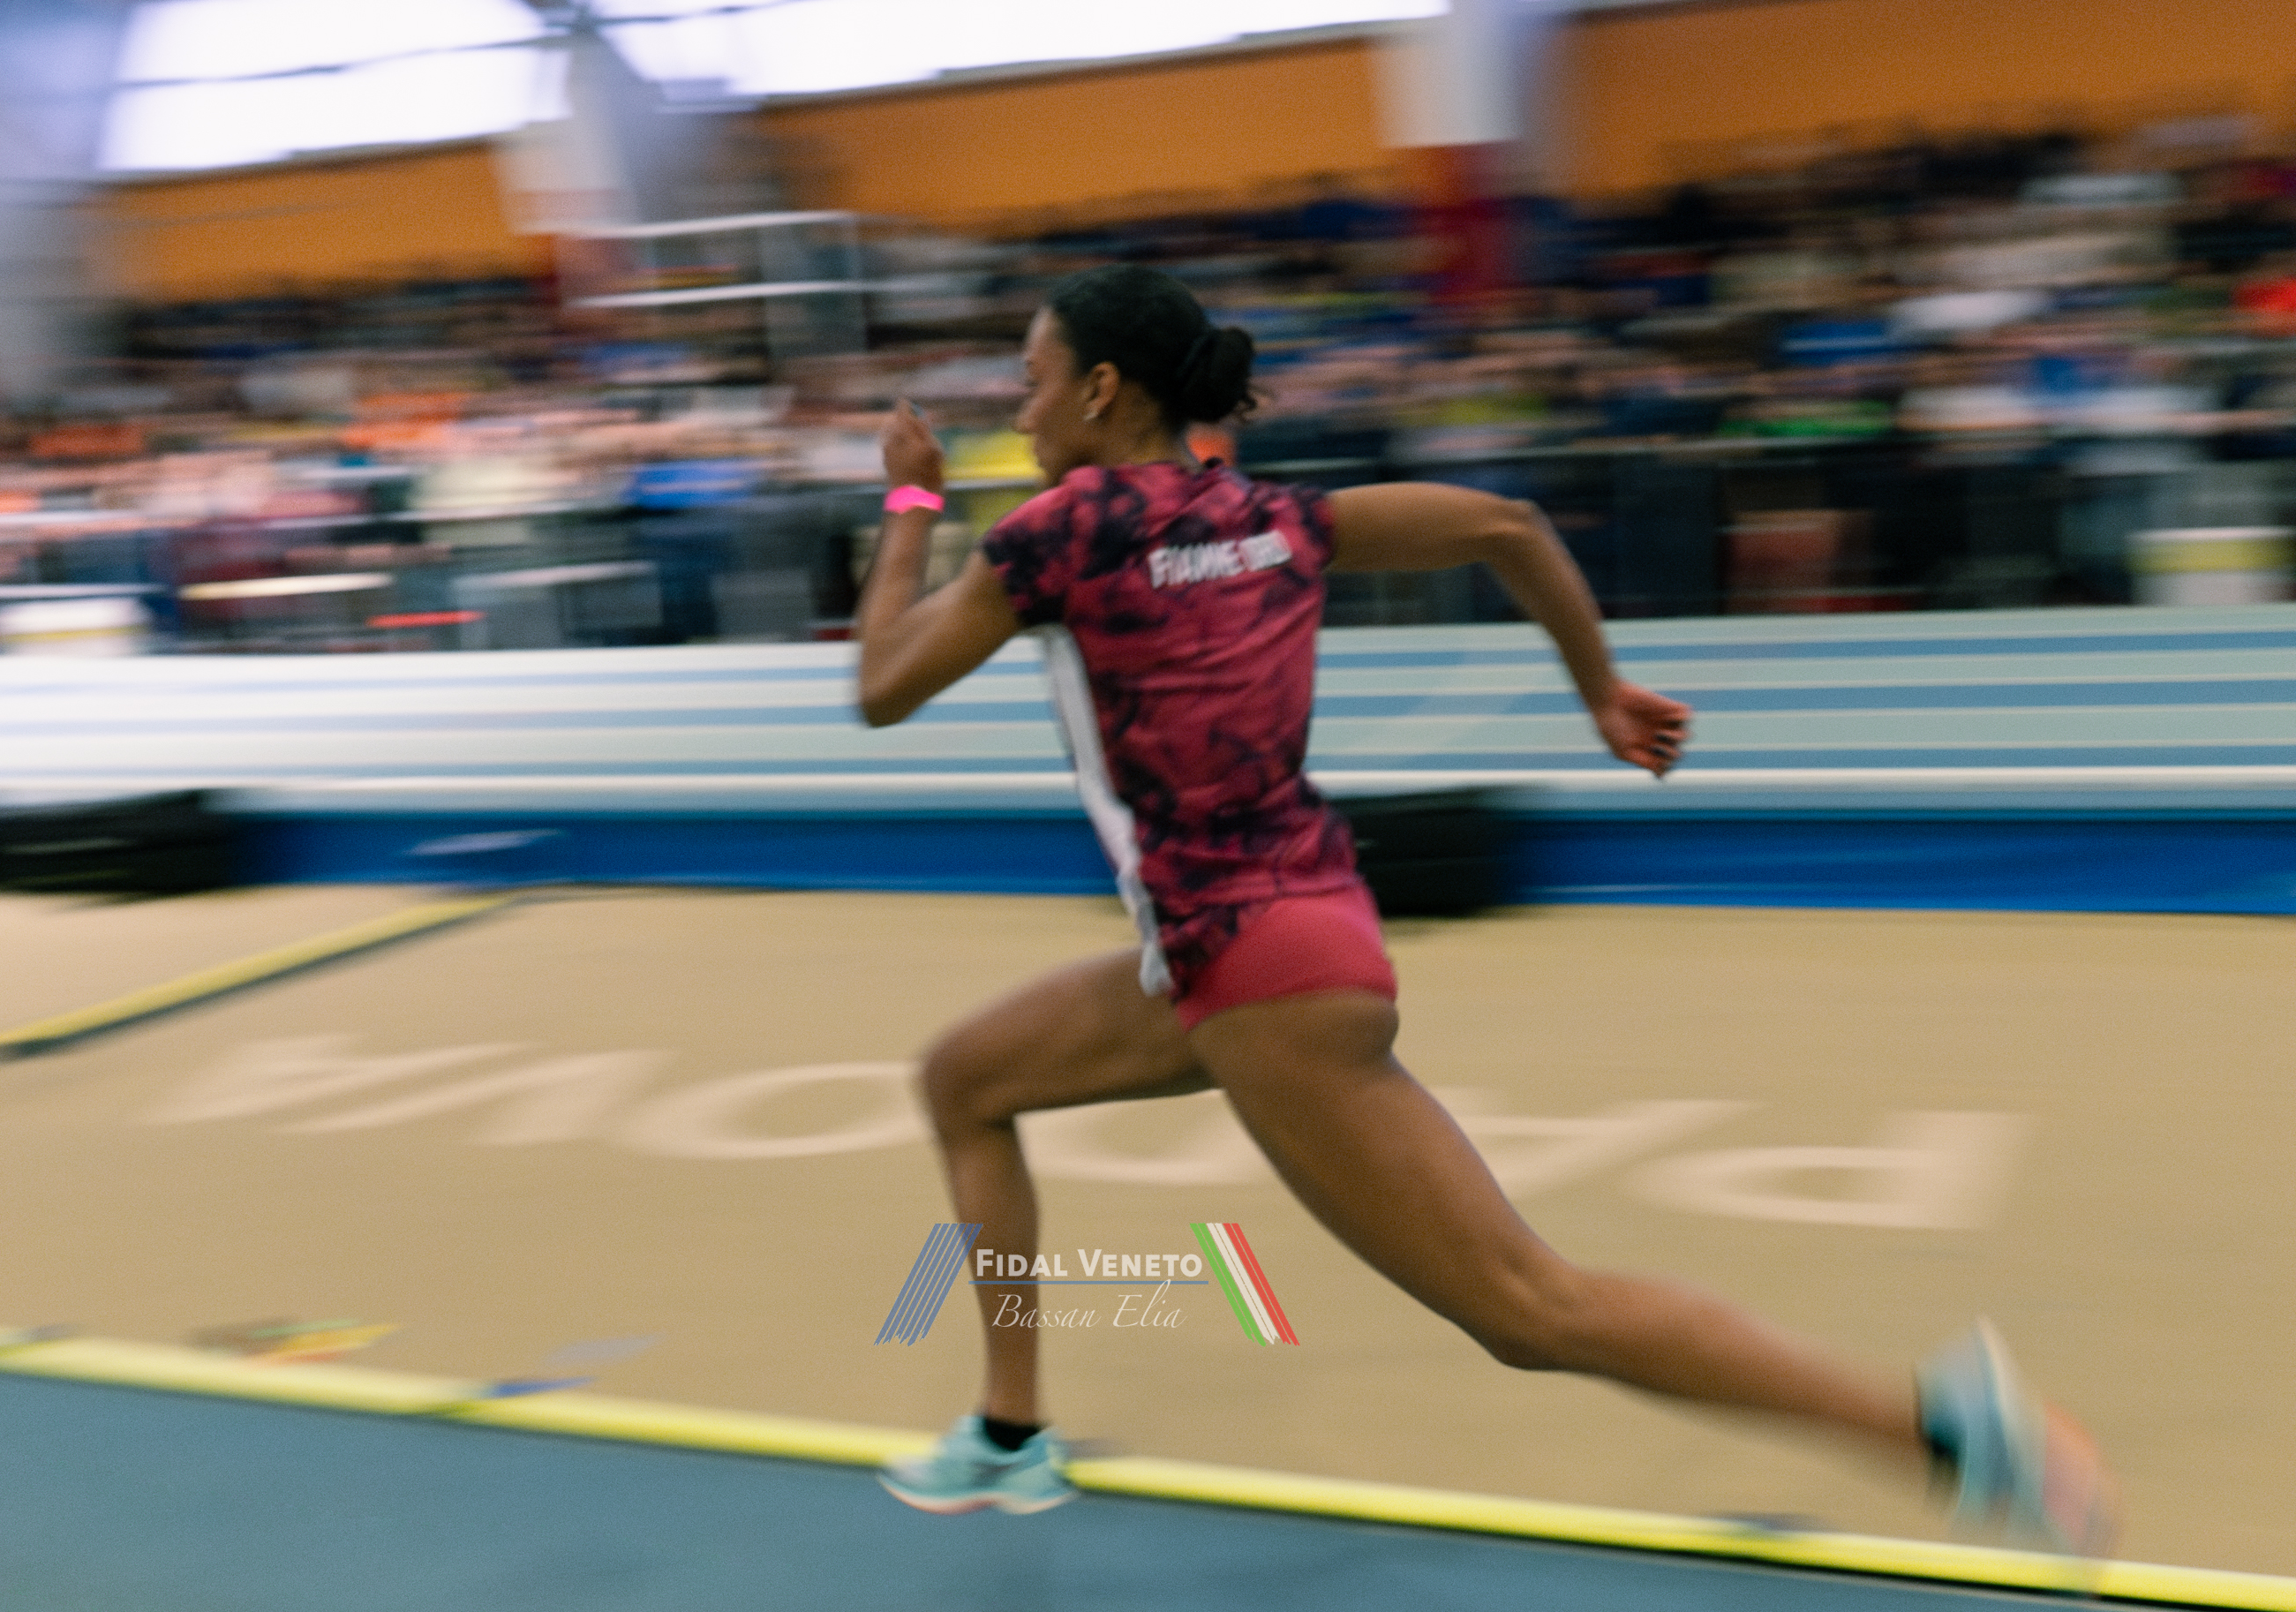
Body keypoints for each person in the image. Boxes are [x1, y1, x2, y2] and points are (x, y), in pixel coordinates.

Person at [854, 264, 2113, 1552]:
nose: (1022, 406)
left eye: (1032, 381)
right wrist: (1601, 691)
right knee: (967, 1080)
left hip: (1249, 972)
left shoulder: (1056, 534)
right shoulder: (1280, 516)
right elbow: (1506, 524)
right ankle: (1009, 1435)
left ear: (1102, 390)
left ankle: (1945, 1428)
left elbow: (882, 685)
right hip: (1280, 930)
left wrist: (910, 501)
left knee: (1529, 1308)